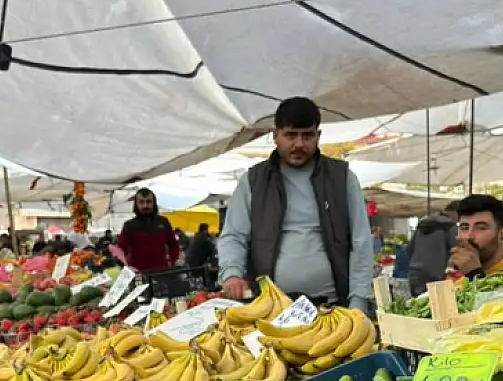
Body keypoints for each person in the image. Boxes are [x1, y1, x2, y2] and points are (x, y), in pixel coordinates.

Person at [217, 97, 375, 311]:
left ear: (318, 136)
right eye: (290, 135)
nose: (299, 144)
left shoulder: (342, 178)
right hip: (270, 308)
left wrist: (358, 301)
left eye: (307, 135)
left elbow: (361, 242)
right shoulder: (254, 181)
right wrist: (232, 274)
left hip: (334, 307)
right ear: (275, 136)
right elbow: (234, 235)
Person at [115, 188, 181, 273]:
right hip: (139, 275)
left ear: (154, 203)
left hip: (161, 273)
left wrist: (171, 261)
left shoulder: (163, 222)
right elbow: (119, 250)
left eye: (149, 202)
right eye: (141, 202)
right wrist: (126, 267)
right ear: (136, 204)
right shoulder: (129, 226)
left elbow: (174, 246)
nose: (145, 205)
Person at [442, 194, 503, 279]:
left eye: (481, 228)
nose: (469, 236)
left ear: (501, 233)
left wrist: (474, 273)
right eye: (464, 228)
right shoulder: (456, 274)